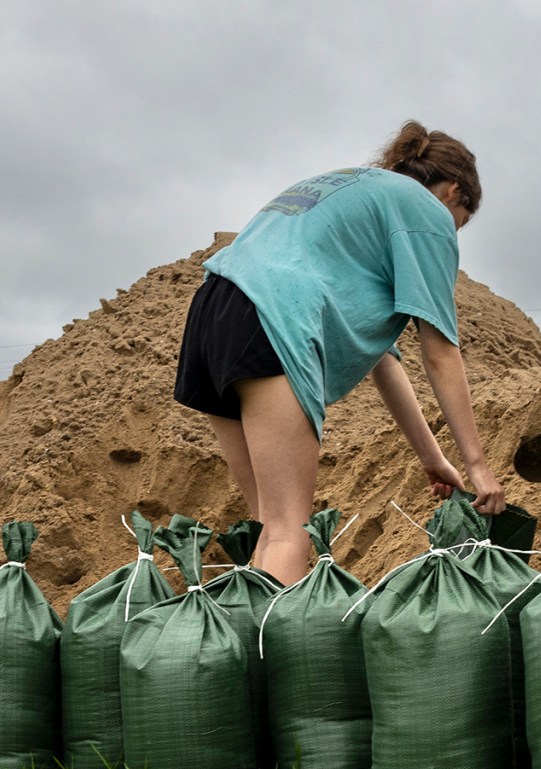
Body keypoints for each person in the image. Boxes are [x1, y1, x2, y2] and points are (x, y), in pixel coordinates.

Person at [176, 122, 504, 583]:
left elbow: (385, 362)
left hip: (213, 312)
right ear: (453, 191)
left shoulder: (357, 193)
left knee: (268, 529)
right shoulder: (426, 212)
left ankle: (248, 649)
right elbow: (441, 355)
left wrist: (433, 459)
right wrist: (479, 469)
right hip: (274, 315)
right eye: (461, 223)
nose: (453, 235)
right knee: (291, 532)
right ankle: (279, 656)